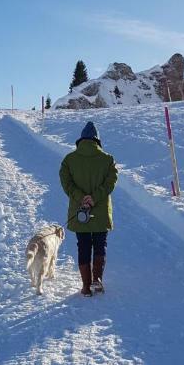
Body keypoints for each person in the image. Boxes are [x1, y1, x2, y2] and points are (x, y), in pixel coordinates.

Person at [59, 120, 118, 296]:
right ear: (97, 140)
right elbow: (111, 182)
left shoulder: (69, 160)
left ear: (81, 140)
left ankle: (85, 287)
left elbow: (66, 183)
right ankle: (97, 280)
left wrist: (81, 198)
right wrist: (94, 197)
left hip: (80, 212)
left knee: (83, 245)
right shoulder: (108, 159)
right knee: (100, 245)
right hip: (99, 211)